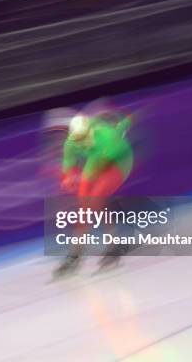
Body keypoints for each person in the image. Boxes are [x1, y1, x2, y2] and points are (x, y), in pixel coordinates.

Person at [54, 111, 133, 276]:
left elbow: (123, 125)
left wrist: (128, 119)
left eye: (83, 138)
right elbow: (68, 164)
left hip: (117, 160)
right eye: (77, 139)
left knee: (96, 200)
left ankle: (114, 246)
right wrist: (67, 177)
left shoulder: (105, 136)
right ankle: (75, 255)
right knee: (82, 210)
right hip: (94, 161)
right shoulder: (71, 143)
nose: (80, 143)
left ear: (90, 131)